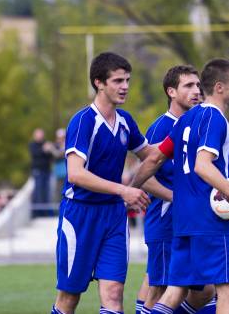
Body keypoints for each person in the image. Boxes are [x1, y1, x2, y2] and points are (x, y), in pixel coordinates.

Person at [131, 58, 229, 314]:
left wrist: (132, 188)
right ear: (220, 87)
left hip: (183, 221)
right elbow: (202, 165)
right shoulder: (215, 119)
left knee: (175, 291)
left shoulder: (185, 120)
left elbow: (154, 158)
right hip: (210, 220)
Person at [51, 52, 158, 314]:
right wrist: (125, 189)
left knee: (113, 294)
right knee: (69, 297)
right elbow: (75, 174)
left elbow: (153, 157)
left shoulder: (125, 122)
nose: (125, 87)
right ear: (99, 82)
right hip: (79, 216)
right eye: (118, 80)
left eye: (127, 80)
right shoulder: (83, 121)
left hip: (113, 216)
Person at [135, 65, 219, 314]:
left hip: (188, 222)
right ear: (171, 91)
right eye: (188, 86)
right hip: (164, 221)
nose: (196, 91)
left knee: (204, 290)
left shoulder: (194, 123)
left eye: (197, 86)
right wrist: (179, 198)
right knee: (159, 290)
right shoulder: (162, 127)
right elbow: (146, 176)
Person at [29, 127, 55, 217]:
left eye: (41, 134)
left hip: (46, 171)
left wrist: (50, 149)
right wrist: (44, 150)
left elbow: (52, 156)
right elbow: (35, 154)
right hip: (37, 171)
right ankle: (37, 213)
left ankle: (45, 212)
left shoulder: (46, 144)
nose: (40, 136)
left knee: (47, 192)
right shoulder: (32, 145)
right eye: (38, 134)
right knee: (38, 191)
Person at [52, 128, 67, 204]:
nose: (60, 139)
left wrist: (51, 149)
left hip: (66, 172)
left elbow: (58, 154)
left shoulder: (67, 144)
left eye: (62, 137)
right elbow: (55, 156)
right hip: (58, 172)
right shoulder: (56, 145)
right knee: (58, 191)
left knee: (66, 190)